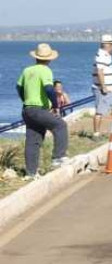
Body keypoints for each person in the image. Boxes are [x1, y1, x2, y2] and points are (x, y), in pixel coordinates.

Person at [17, 43, 69, 179]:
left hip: (27, 109)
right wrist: (56, 105)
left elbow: (19, 87)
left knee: (33, 139)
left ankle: (31, 172)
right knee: (60, 125)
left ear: (36, 57)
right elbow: (49, 89)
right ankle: (58, 157)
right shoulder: (45, 70)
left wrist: (26, 99)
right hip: (39, 109)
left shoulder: (27, 70)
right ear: (49, 59)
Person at [93, 34, 112, 136]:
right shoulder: (101, 56)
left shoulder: (106, 56)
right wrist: (103, 86)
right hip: (102, 89)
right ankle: (96, 133)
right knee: (99, 111)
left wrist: (111, 85)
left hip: (109, 88)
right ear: (108, 45)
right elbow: (100, 71)